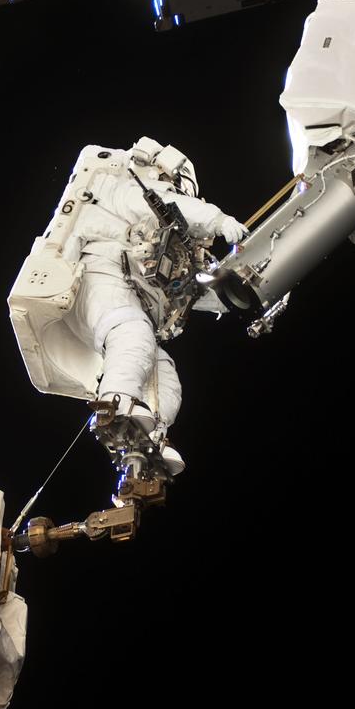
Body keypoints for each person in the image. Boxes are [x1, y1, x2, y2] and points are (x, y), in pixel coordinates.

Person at [63, 137, 248, 475]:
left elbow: (189, 292)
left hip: (125, 298)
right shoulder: (128, 190)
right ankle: (116, 403)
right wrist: (218, 220)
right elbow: (166, 203)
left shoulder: (163, 237)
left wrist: (239, 294)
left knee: (162, 371)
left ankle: (151, 434)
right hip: (99, 279)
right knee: (133, 335)